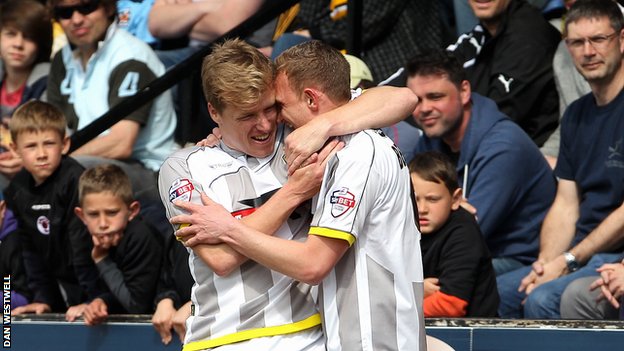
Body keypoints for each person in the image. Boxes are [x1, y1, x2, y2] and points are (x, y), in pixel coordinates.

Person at [172, 40, 425, 351]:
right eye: (246, 115)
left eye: (274, 107)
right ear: (215, 113)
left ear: (310, 99)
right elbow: (220, 259)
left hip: (367, 336)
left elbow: (404, 96)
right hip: (310, 335)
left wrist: (230, 227)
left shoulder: (344, 148)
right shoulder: (184, 165)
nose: (268, 123)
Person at [496, 0, 624, 319]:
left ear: (622, 41)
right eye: (577, 42)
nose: (588, 51)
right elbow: (566, 204)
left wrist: (566, 260)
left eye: (598, 39)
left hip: (613, 255)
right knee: (501, 293)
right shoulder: (576, 115)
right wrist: (545, 263)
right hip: (582, 252)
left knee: (544, 300)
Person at [407, 49, 556, 275]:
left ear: (464, 91)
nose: (424, 108)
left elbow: (470, 234)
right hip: (463, 253)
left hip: (517, 260)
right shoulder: (431, 141)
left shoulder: (504, 146)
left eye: (435, 97)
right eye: (416, 100)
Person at [46, 0, 177, 233]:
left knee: (69, 172)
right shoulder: (62, 59)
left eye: (86, 7)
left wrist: (52, 158)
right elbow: (55, 131)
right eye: (65, 12)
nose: (76, 19)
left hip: (149, 170)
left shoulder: (130, 56)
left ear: (107, 7)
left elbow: (121, 143)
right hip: (88, 163)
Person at [7, 100, 103, 321]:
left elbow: (82, 247)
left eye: (49, 143)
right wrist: (43, 299)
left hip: (95, 284)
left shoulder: (75, 180)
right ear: (15, 149)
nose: (41, 154)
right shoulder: (16, 189)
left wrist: (90, 300)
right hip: (60, 282)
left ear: (65, 144)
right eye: (31, 146)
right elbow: (29, 252)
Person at [447, 0, 561, 147]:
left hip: (524, 155)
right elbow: (430, 72)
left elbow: (493, 119)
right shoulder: (482, 33)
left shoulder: (529, 35)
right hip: (487, 149)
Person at [410, 151, 498, 317]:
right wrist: (415, 289)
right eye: (414, 199)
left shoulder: (463, 232)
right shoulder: (402, 225)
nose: (422, 209)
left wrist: (398, 309)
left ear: (456, 199)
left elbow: (450, 304)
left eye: (433, 199)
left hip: (471, 335)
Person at [75, 164, 162, 325]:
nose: (102, 223)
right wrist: (96, 303)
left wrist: (102, 260)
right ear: (81, 215)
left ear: (132, 211)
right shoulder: (84, 235)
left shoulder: (140, 237)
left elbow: (137, 306)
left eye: (112, 213)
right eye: (93, 214)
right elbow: (92, 290)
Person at [0, 0, 53, 190]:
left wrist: (23, 160)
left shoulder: (48, 82)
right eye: (11, 34)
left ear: (41, 44)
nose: (18, 44)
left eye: (28, 37)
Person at [148, 0, 264, 68]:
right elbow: (155, 22)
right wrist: (204, 7)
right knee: (145, 61)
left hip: (237, 53)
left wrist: (179, 21)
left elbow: (226, 27)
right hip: (187, 51)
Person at [151, 233, 193, 345]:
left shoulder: (234, 221)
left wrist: (196, 305)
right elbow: (166, 277)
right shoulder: (177, 233)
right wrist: (166, 299)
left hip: (230, 331)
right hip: (181, 334)